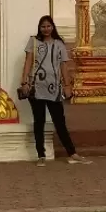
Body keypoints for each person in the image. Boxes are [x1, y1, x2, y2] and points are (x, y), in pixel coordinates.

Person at [21, 15, 86, 164]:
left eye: (48, 26)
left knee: (60, 122)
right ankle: (41, 156)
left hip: (54, 88)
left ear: (53, 27)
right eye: (43, 26)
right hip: (36, 87)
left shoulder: (59, 44)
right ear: (39, 28)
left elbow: (64, 66)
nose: (46, 29)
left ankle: (72, 153)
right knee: (39, 121)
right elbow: (28, 63)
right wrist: (24, 81)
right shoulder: (34, 42)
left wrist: (67, 85)